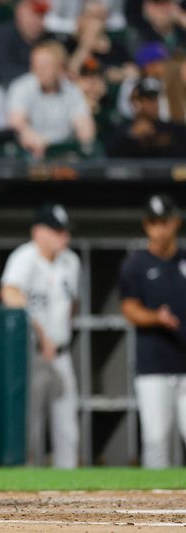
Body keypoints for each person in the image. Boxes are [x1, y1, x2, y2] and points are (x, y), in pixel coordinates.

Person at [0, 203, 81, 469]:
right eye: (57, 231)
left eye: (65, 231)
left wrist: (58, 334)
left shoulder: (71, 262)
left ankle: (70, 489)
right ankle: (30, 491)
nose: (64, 237)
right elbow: (10, 294)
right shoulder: (25, 257)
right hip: (32, 355)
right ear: (39, 232)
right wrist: (41, 332)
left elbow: (73, 304)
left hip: (61, 354)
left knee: (67, 427)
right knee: (31, 427)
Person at [119, 194, 186, 468]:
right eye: (154, 222)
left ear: (176, 222)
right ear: (147, 225)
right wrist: (156, 317)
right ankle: (154, 506)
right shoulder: (136, 264)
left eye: (165, 221)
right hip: (153, 364)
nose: (160, 228)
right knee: (156, 439)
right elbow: (129, 308)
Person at [7, 40, 96, 159]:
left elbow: (85, 129)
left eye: (45, 66)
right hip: (30, 152)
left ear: (59, 68)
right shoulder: (21, 87)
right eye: (35, 66)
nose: (39, 71)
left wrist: (84, 142)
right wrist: (32, 138)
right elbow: (17, 122)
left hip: (65, 152)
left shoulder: (72, 91)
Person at [106, 77, 186, 158]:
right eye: (147, 99)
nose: (154, 104)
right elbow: (111, 156)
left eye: (155, 99)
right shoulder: (122, 131)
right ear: (135, 102)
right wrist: (132, 136)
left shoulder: (173, 130)